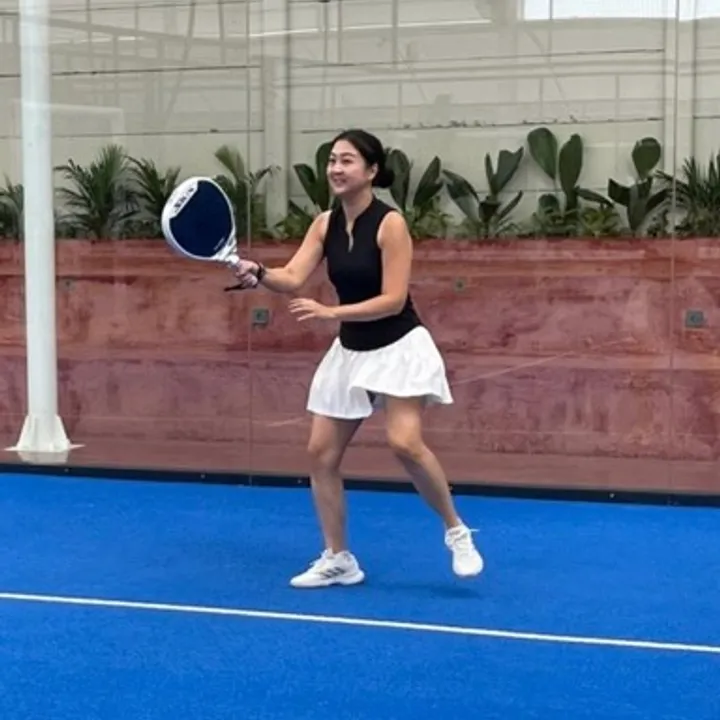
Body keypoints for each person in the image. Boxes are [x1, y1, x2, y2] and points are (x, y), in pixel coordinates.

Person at [231, 128, 484, 588]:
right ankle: (339, 558)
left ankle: (456, 530)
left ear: (371, 171)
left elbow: (393, 299)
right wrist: (260, 272)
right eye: (332, 160)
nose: (336, 168)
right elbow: (292, 277)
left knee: (405, 443)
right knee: (320, 454)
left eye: (347, 160)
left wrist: (331, 312)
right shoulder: (323, 224)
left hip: (398, 345)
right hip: (350, 350)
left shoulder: (391, 224)